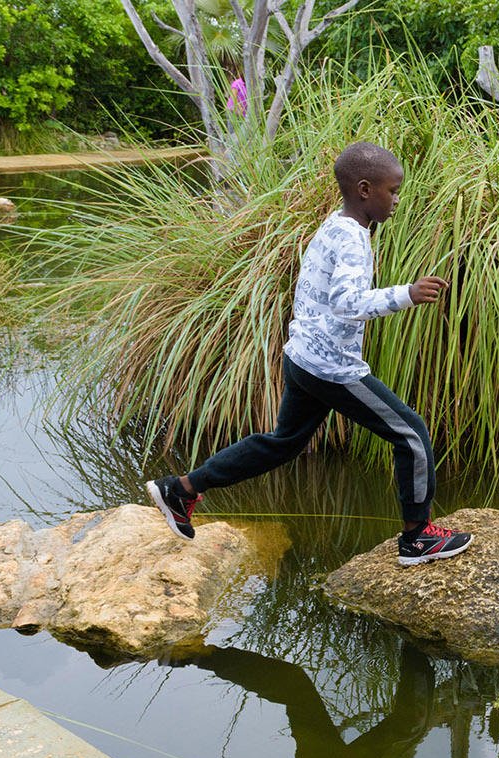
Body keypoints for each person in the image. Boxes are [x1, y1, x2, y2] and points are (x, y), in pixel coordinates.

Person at [147, 141, 472, 566]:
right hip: (330, 367)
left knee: (282, 443)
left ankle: (181, 489)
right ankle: (418, 538)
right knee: (411, 434)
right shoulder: (353, 238)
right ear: (364, 189)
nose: (396, 200)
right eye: (392, 191)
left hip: (302, 357)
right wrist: (407, 294)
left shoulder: (335, 224)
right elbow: (347, 302)